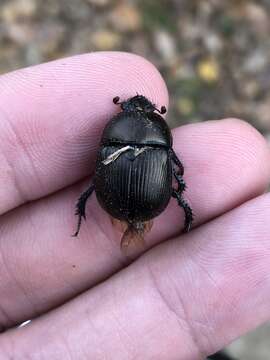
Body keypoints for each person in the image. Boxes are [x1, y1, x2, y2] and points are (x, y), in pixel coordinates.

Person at [0, 52, 269, 359]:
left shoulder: (111, 142)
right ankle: (182, 212)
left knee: (92, 188)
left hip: (115, 198)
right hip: (147, 198)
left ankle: (103, 213)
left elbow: (112, 170)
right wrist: (177, 186)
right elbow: (176, 170)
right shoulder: (156, 146)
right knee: (173, 192)